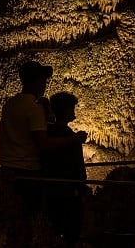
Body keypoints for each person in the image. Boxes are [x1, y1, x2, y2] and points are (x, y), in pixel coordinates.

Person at [0, 61, 87, 220]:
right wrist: (74, 139)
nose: (45, 84)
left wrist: (46, 110)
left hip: (6, 169)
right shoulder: (34, 108)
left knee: (12, 219)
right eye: (43, 80)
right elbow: (43, 143)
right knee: (30, 218)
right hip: (28, 173)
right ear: (37, 82)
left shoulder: (9, 104)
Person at [42, 92, 87, 246]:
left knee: (54, 231)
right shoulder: (69, 137)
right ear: (67, 110)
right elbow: (76, 165)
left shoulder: (48, 134)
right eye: (72, 108)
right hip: (67, 193)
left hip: (51, 191)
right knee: (71, 233)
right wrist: (80, 187)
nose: (74, 111)